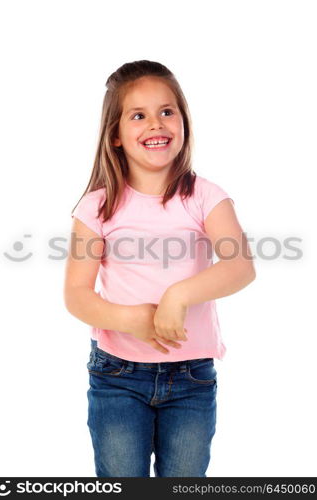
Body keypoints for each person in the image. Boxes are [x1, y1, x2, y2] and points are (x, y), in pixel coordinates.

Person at [64, 60, 256, 478]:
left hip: (192, 379)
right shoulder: (97, 206)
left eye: (167, 111)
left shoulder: (205, 197)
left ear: (183, 122)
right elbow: (76, 295)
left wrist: (178, 295)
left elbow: (241, 266)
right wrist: (129, 318)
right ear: (115, 135)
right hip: (117, 377)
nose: (156, 123)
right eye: (139, 115)